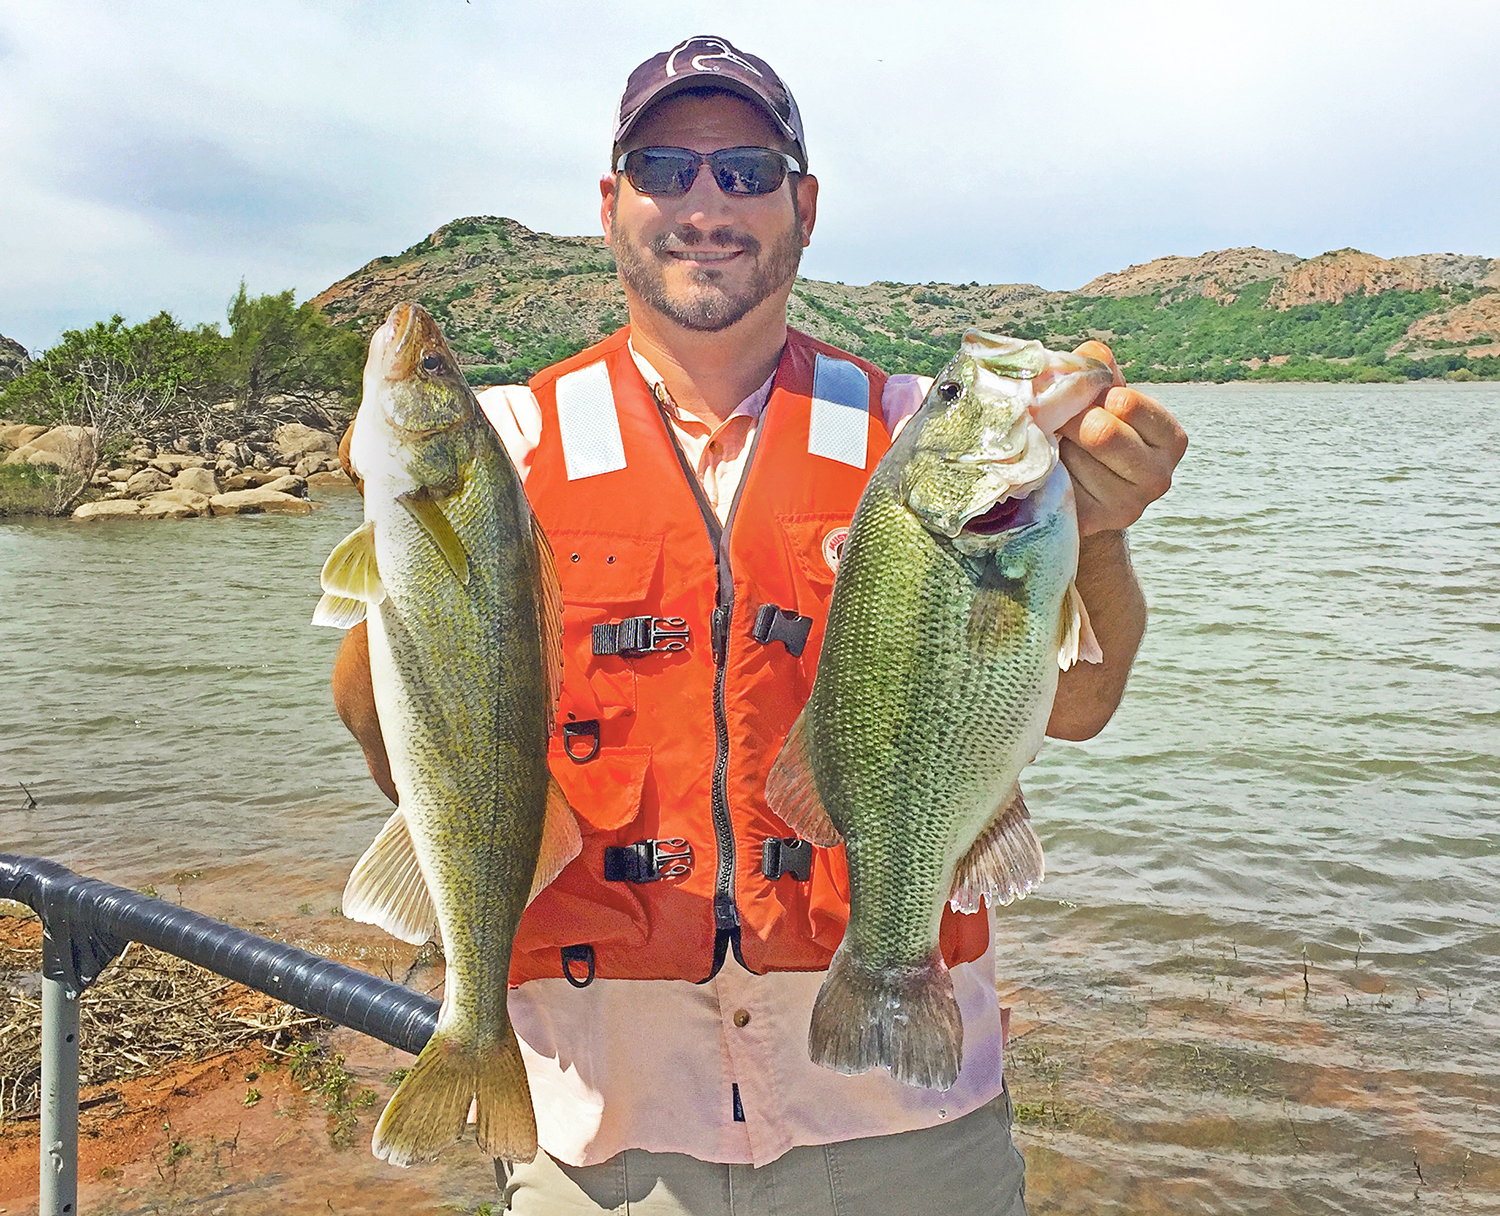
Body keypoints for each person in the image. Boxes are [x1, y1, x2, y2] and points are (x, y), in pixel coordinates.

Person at [332, 34, 1187, 1215]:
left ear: (804, 205)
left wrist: (1094, 531)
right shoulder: (506, 447)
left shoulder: (910, 439)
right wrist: (417, 559)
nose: (703, 204)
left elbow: (1079, 704)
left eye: (745, 172)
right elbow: (388, 743)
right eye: (663, 167)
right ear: (609, 202)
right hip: (606, 1131)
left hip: (905, 1122)